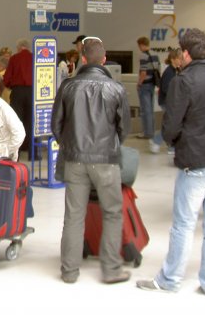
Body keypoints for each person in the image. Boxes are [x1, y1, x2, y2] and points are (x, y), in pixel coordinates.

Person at [137, 28, 205, 297]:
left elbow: (170, 127)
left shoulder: (184, 81)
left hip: (195, 160)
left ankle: (170, 279)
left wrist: (176, 141)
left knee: (184, 223)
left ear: (187, 53)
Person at [52, 36, 131, 285]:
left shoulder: (67, 86)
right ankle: (111, 269)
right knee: (112, 213)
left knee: (74, 216)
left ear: (82, 59)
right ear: (104, 60)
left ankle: (69, 271)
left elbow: (56, 125)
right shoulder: (116, 88)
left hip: (75, 160)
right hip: (106, 160)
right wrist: (110, 145)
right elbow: (124, 129)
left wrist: (70, 143)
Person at [149, 47, 182, 154]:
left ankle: (170, 145)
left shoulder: (174, 71)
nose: (181, 60)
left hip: (170, 102)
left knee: (172, 124)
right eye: (179, 58)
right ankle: (157, 141)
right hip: (167, 102)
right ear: (173, 59)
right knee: (171, 124)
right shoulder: (169, 72)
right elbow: (166, 88)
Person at [3, 38, 33, 155]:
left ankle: (17, 152)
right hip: (32, 92)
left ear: (19, 48)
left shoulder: (14, 58)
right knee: (31, 120)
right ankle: (32, 151)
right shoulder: (35, 57)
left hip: (18, 92)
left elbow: (7, 78)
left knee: (16, 121)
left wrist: (10, 86)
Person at [136, 36, 160, 140]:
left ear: (141, 45)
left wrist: (139, 83)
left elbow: (143, 72)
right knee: (150, 109)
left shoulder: (143, 56)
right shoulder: (155, 55)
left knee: (145, 110)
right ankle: (152, 131)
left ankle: (147, 133)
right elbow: (158, 69)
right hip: (153, 84)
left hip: (145, 85)